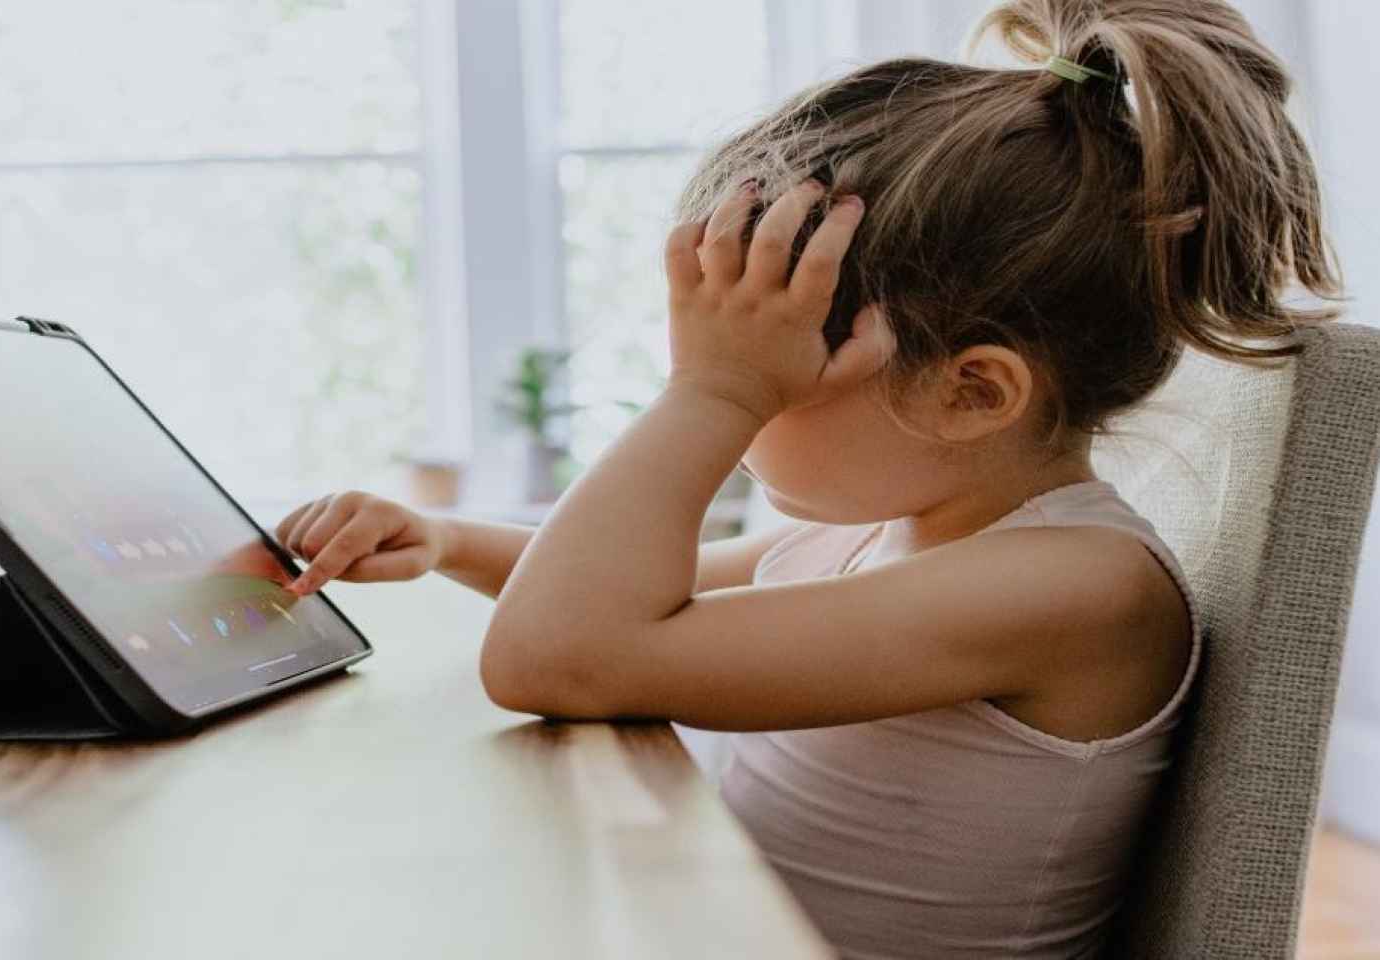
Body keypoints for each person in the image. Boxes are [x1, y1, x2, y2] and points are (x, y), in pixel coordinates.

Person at [273, 0, 1338, 955]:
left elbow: (560, 653)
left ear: (970, 393)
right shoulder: (900, 531)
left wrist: (710, 395)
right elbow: (648, 585)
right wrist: (447, 538)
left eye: (767, 376)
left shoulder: (1074, 590)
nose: (728, 417)